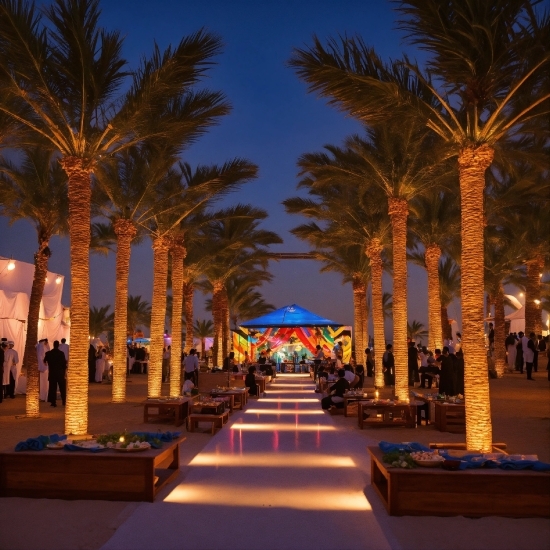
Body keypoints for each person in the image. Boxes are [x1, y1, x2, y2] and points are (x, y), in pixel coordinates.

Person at [44, 340, 67, 407]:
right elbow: (64, 364)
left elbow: (44, 361)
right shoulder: (61, 353)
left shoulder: (48, 353)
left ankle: (53, 402)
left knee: (52, 388)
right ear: (58, 345)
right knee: (62, 388)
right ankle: (64, 401)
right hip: (60, 373)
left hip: (52, 373)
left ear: (53, 345)